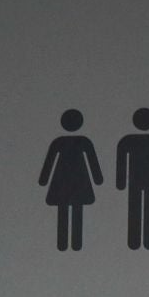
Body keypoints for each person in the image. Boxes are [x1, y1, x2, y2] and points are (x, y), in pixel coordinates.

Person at [39, 108, 102, 252]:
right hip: (74, 180)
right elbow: (49, 161)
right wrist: (97, 179)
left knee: (69, 209)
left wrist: (44, 179)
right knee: (72, 209)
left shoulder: (63, 142)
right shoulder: (80, 141)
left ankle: (71, 243)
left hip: (65, 180)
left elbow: (49, 162)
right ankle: (71, 243)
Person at [116, 107, 149, 250]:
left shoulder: (130, 140)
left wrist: (121, 183)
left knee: (146, 208)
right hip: (141, 180)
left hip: (143, 181)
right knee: (139, 207)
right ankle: (139, 241)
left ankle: (145, 241)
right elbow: (121, 161)